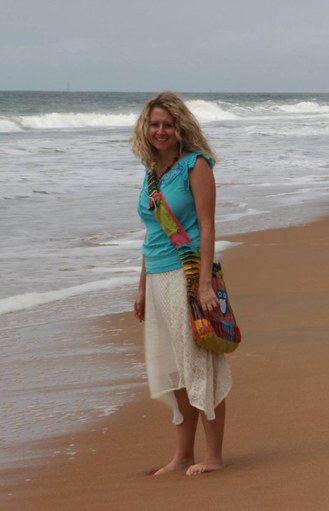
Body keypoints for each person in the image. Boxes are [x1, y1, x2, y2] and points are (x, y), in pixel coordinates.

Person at [131, 91, 232, 476]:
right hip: (157, 276)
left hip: (187, 276)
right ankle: (183, 455)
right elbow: (151, 235)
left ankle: (215, 457)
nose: (160, 131)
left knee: (199, 363)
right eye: (155, 124)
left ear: (180, 127)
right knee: (174, 367)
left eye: (167, 125)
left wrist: (204, 283)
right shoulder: (150, 174)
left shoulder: (196, 166)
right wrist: (141, 287)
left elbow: (207, 227)